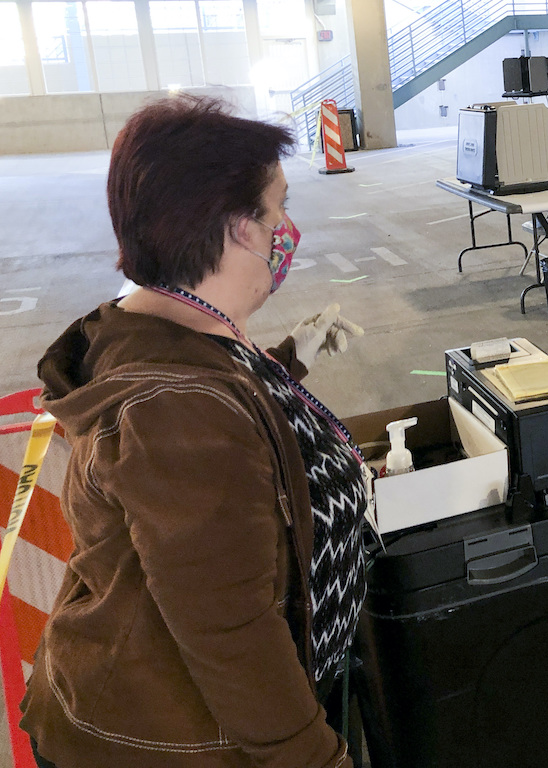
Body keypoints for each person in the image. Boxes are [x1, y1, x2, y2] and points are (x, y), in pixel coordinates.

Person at [21, 95, 368, 767]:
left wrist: (289, 356)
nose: (288, 226)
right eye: (278, 207)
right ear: (239, 226)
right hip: (169, 743)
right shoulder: (181, 412)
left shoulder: (159, 325)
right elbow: (233, 633)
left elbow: (217, 389)